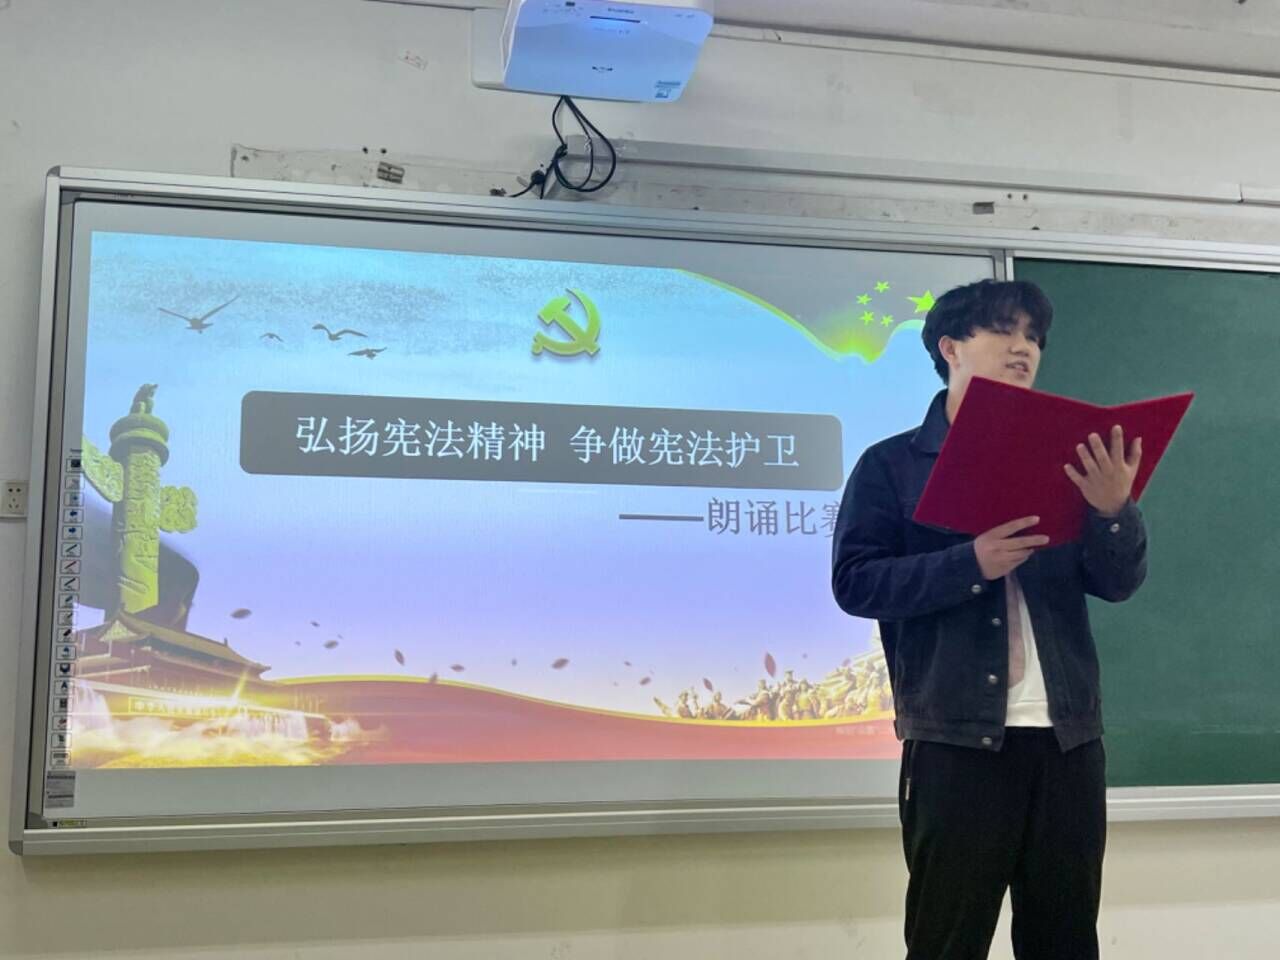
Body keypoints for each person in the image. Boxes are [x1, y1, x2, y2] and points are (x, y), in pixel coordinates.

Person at [831, 279, 1147, 960]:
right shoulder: (892, 466)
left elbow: (1117, 584)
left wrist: (1113, 511)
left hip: (1067, 741)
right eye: (1003, 330)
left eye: (1033, 336)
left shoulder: (1073, 463)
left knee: (1065, 940)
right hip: (957, 740)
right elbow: (856, 582)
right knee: (948, 941)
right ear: (950, 348)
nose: (1023, 348)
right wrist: (969, 562)